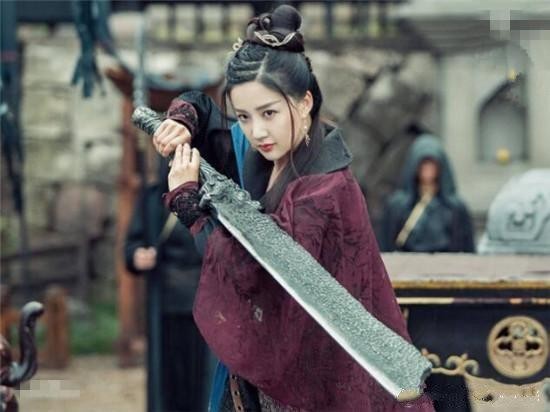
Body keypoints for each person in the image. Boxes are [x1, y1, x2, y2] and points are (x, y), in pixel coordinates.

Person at [154, 5, 435, 411]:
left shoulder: (322, 189)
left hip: (322, 382)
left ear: (304, 102)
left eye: (269, 113)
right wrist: (184, 118)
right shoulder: (266, 153)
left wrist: (188, 204)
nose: (257, 132)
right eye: (245, 116)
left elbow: (252, 274)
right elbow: (208, 116)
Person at [124, 158, 214, 412]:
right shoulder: (153, 197)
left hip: (203, 299)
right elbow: (133, 242)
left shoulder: (211, 196)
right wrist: (137, 255)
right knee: (168, 376)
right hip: (166, 300)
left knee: (201, 376)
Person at [380, 134, 475, 253]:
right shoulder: (398, 206)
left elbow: (467, 248)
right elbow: (386, 245)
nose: (428, 169)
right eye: (424, 164)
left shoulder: (455, 208)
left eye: (432, 164)